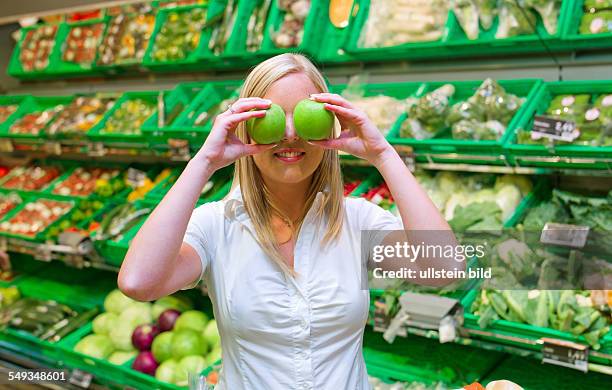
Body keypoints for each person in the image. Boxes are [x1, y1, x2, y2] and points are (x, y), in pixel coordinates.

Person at [119, 54, 459, 389]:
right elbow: (138, 282)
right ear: (247, 126)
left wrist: (383, 154)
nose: (291, 133)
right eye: (274, 116)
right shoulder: (216, 225)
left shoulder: (357, 220)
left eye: (305, 114)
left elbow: (445, 270)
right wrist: (205, 161)